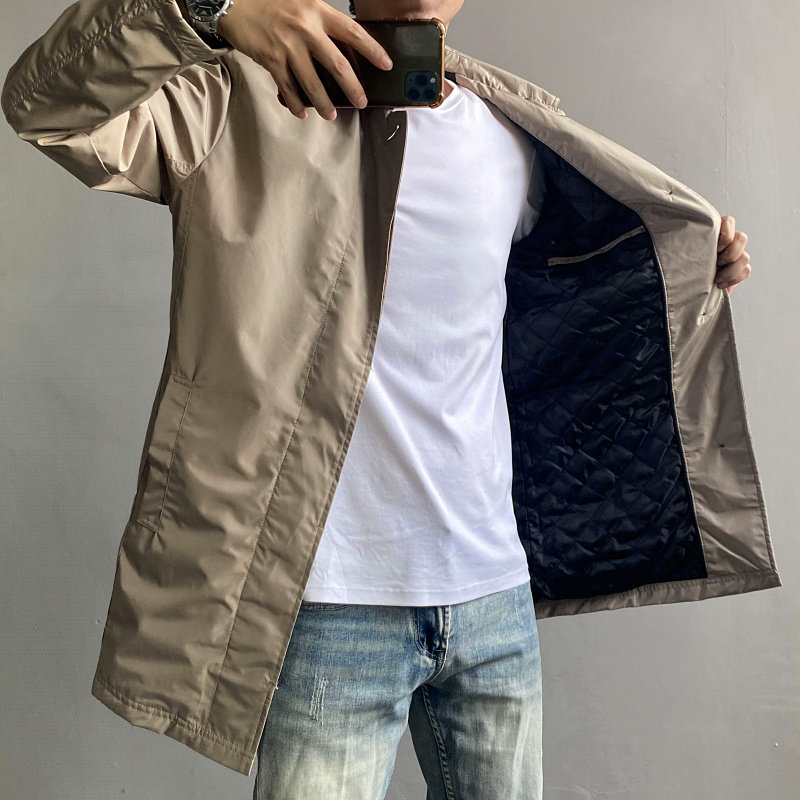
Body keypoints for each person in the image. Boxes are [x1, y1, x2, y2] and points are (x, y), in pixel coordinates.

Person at [2, 0, 758, 798]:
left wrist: (683, 264)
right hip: (327, 602)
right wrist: (213, 10)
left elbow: (579, 287)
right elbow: (44, 107)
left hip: (492, 596)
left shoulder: (514, 136)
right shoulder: (231, 102)